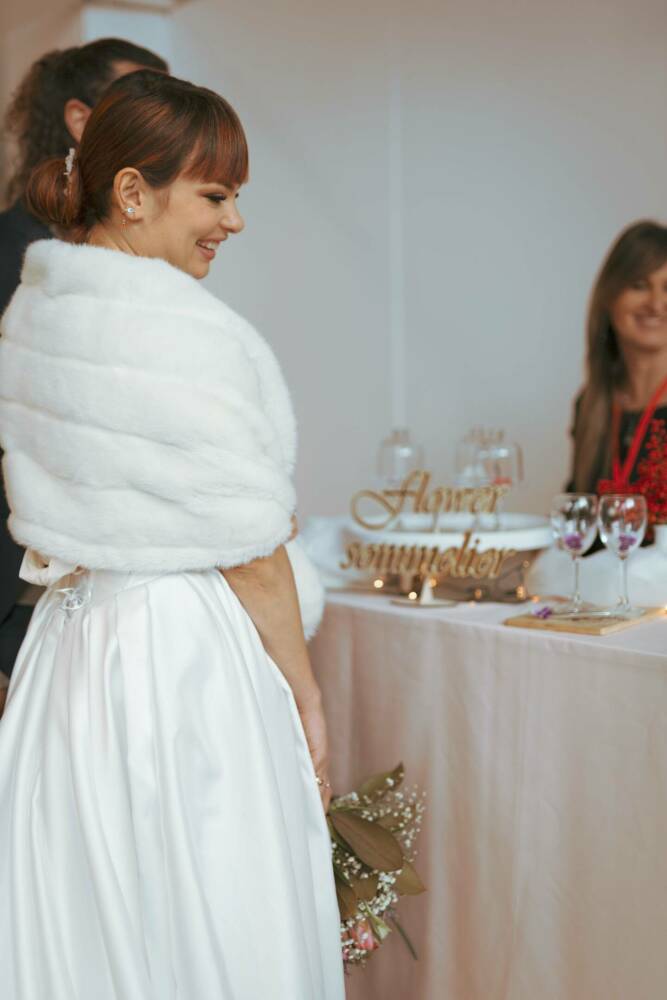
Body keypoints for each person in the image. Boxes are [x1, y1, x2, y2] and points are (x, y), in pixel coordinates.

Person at [0, 69, 344, 998]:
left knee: (88, 917)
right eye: (215, 195)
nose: (234, 221)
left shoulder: (36, 311)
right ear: (131, 191)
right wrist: (306, 694)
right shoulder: (179, 334)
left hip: (65, 657)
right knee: (209, 914)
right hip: (173, 654)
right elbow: (250, 549)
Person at [0, 39, 168, 697]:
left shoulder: (136, 256)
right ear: (79, 119)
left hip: (122, 580)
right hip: (22, 586)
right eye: (144, 104)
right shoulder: (10, 250)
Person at [569, 220, 667, 496]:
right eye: (639, 285)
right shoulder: (590, 403)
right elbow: (576, 509)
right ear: (609, 297)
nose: (656, 303)